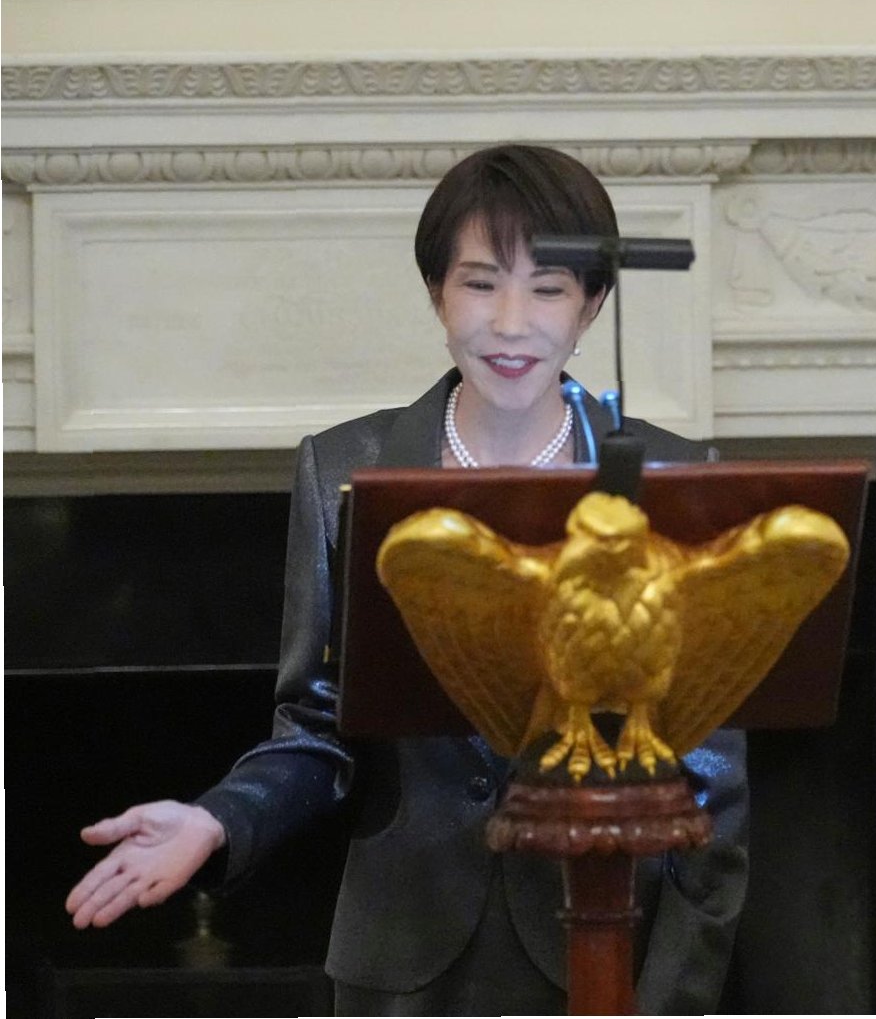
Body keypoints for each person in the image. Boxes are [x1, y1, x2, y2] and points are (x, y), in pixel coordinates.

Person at [64, 144, 747, 1015]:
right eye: (480, 284)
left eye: (546, 289)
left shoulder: (669, 482)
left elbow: (713, 786)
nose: (510, 323)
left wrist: (674, 997)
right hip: (401, 962)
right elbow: (318, 726)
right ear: (436, 294)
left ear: (590, 306)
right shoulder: (344, 469)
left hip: (611, 950)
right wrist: (217, 818)